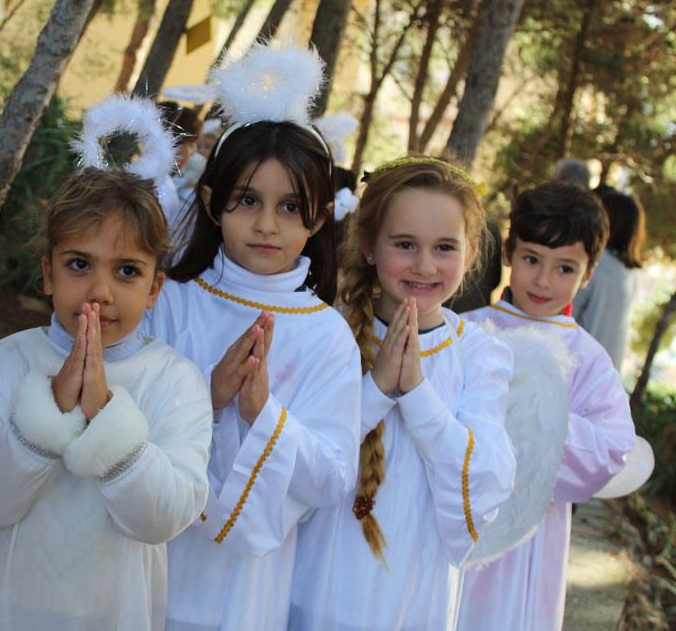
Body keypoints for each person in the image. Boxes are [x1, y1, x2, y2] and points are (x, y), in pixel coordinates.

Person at [144, 53, 363, 625]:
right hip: (149, 562)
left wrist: (264, 413)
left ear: (318, 219)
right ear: (213, 202)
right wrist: (206, 397)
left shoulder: (327, 335)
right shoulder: (169, 301)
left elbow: (334, 477)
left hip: (250, 590)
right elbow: (123, 413)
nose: (268, 224)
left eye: (291, 207)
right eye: (248, 201)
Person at [0, 168, 212, 630]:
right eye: (79, 264)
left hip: (113, 612)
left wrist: (107, 416)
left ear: (154, 289)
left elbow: (164, 518)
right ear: (48, 273)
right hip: (1, 606)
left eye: (127, 271)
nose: (100, 293)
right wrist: (46, 413)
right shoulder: (4, 363)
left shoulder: (175, 382)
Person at [289, 157, 517, 631]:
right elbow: (294, 456)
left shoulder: (482, 354)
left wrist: (415, 392)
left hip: (415, 598)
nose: (425, 265)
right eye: (406, 244)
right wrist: (376, 389)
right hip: (317, 586)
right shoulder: (324, 331)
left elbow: (487, 478)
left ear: (472, 253)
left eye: (445, 247)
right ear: (370, 245)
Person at [457, 181, 635, 631]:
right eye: (532, 259)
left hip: (531, 539)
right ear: (508, 253)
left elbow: (612, 448)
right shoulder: (464, 331)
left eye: (565, 268)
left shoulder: (587, 359)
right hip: (456, 509)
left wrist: (538, 420)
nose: (542, 280)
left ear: (589, 273)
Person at [572, 185, 646, 371]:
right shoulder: (631, 273)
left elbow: (564, 314)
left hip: (576, 370)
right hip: (606, 375)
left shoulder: (595, 264)